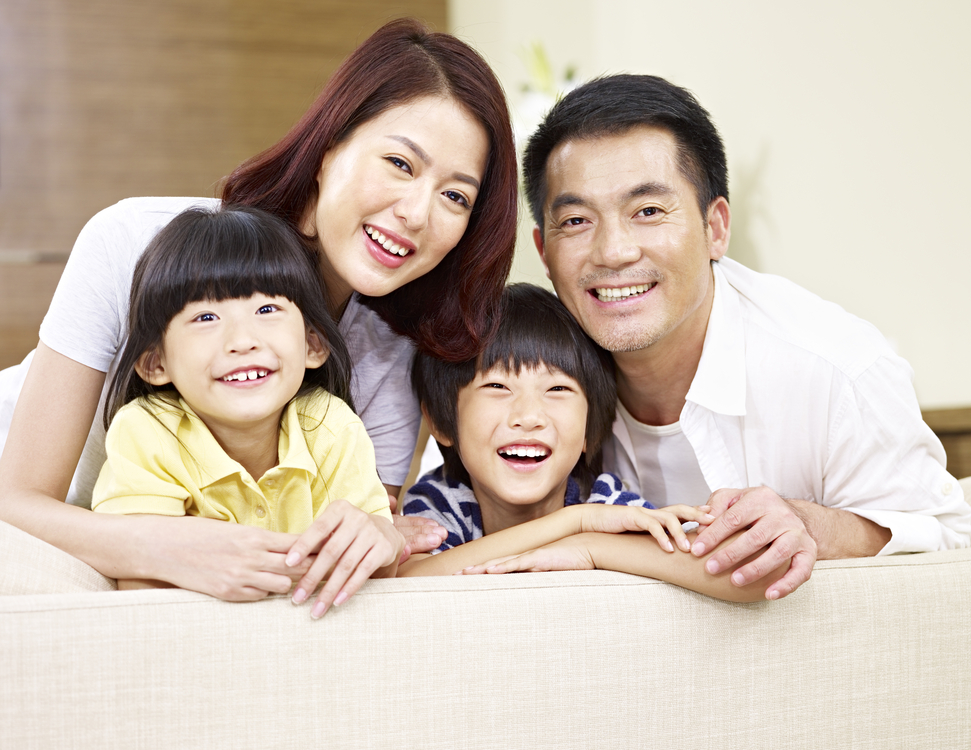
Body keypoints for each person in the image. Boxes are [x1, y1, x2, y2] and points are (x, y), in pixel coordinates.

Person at [0, 19, 516, 610]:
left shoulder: (392, 343)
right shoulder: (133, 241)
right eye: (400, 164)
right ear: (329, 150)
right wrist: (167, 545)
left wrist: (375, 534)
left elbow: (357, 528)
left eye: (456, 196)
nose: (418, 213)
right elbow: (16, 503)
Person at [521, 74, 971, 601]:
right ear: (544, 252)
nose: (613, 252)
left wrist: (809, 525)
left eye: (647, 211)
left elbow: (948, 540)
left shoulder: (837, 368)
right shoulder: (519, 370)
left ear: (715, 228)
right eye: (576, 220)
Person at [91, 206, 398, 613]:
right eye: (205, 316)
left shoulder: (331, 425)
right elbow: (141, 584)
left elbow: (372, 574)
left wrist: (381, 536)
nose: (242, 340)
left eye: (267, 310)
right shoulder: (146, 432)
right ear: (156, 363)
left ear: (313, 344)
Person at [398, 284, 784, 602]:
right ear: (441, 421)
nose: (529, 416)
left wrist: (590, 547)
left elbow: (745, 577)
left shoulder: (602, 500)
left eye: (558, 388)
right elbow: (406, 580)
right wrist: (574, 522)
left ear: (588, 431)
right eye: (497, 386)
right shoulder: (441, 500)